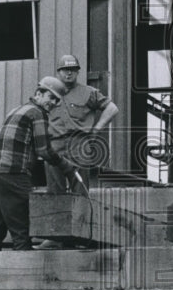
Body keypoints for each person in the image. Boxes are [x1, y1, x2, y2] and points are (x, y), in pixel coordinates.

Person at [0, 76, 86, 251]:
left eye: (56, 100)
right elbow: (44, 150)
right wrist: (66, 167)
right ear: (38, 93)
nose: (53, 103)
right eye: (50, 97)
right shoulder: (37, 113)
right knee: (21, 233)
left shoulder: (17, 110)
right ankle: (26, 275)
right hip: (13, 175)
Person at [44, 54, 119, 194]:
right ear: (58, 72)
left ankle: (81, 216)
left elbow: (112, 108)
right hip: (54, 145)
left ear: (78, 71)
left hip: (78, 144)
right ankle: (59, 216)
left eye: (72, 69)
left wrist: (96, 129)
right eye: (65, 70)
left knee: (80, 189)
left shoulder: (88, 92)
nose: (69, 73)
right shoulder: (49, 93)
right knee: (55, 192)